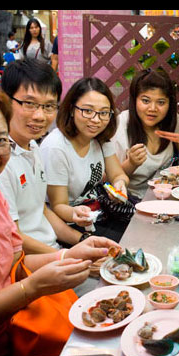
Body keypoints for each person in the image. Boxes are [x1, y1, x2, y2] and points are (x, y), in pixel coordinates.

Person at [0, 79, 120, 356]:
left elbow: (13, 264)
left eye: (0, 141)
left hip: (17, 332)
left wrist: (72, 254)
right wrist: (31, 288)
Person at [0, 59, 87, 255]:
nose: (39, 116)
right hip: (29, 264)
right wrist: (66, 257)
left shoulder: (34, 146)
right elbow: (13, 236)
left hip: (53, 251)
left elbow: (41, 211)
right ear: (5, 100)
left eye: (48, 106)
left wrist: (83, 240)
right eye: (29, 103)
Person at [40, 77, 130, 242]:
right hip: (70, 225)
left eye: (103, 113)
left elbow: (118, 174)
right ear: (72, 109)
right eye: (88, 111)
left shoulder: (100, 139)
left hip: (99, 213)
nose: (96, 119)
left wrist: (120, 184)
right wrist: (77, 214)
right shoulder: (56, 147)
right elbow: (58, 206)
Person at [110, 68, 179, 199]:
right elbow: (109, 178)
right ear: (135, 100)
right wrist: (131, 163)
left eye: (161, 102)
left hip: (164, 198)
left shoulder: (172, 121)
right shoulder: (121, 125)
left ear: (169, 103)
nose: (152, 109)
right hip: (128, 202)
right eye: (145, 100)